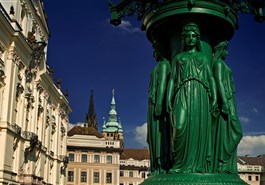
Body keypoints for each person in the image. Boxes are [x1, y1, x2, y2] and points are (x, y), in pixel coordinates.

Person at [166, 22, 217, 173]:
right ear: (184, 39)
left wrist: (214, 97)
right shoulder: (178, 58)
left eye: (193, 36)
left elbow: (211, 78)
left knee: (198, 128)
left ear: (197, 39)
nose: (190, 38)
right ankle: (179, 164)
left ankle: (198, 165)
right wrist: (168, 98)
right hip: (181, 92)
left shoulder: (203, 57)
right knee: (179, 127)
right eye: (187, 36)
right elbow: (172, 79)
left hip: (200, 93)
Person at [212, 41, 243, 173]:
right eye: (225, 49)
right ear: (220, 50)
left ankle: (227, 164)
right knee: (235, 132)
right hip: (226, 100)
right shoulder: (218, 64)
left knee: (231, 132)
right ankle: (222, 161)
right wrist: (224, 102)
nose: (227, 52)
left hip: (230, 99)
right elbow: (218, 81)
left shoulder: (222, 64)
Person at [147, 47, 171, 174]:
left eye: (155, 50)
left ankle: (162, 164)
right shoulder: (157, 67)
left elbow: (162, 84)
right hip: (152, 103)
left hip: (157, 103)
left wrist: (159, 104)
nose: (153, 54)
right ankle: (157, 165)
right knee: (153, 136)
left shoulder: (164, 65)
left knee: (159, 135)